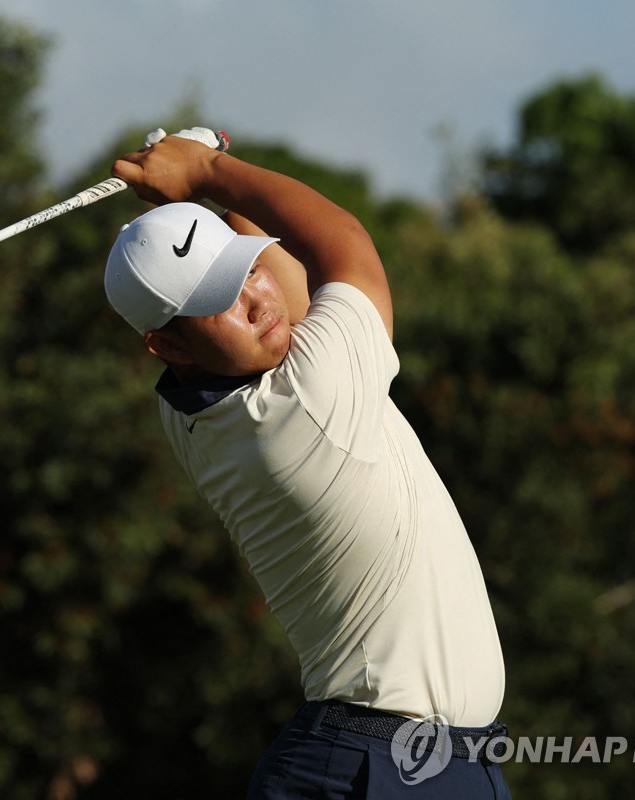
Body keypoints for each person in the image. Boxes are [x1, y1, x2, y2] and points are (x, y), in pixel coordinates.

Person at [104, 128, 511, 799]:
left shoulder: (191, 412)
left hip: (424, 764)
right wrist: (208, 168)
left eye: (247, 269)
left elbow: (283, 300)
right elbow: (344, 248)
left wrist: (196, 197)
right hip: (372, 767)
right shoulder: (306, 407)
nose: (257, 299)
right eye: (220, 300)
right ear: (165, 343)